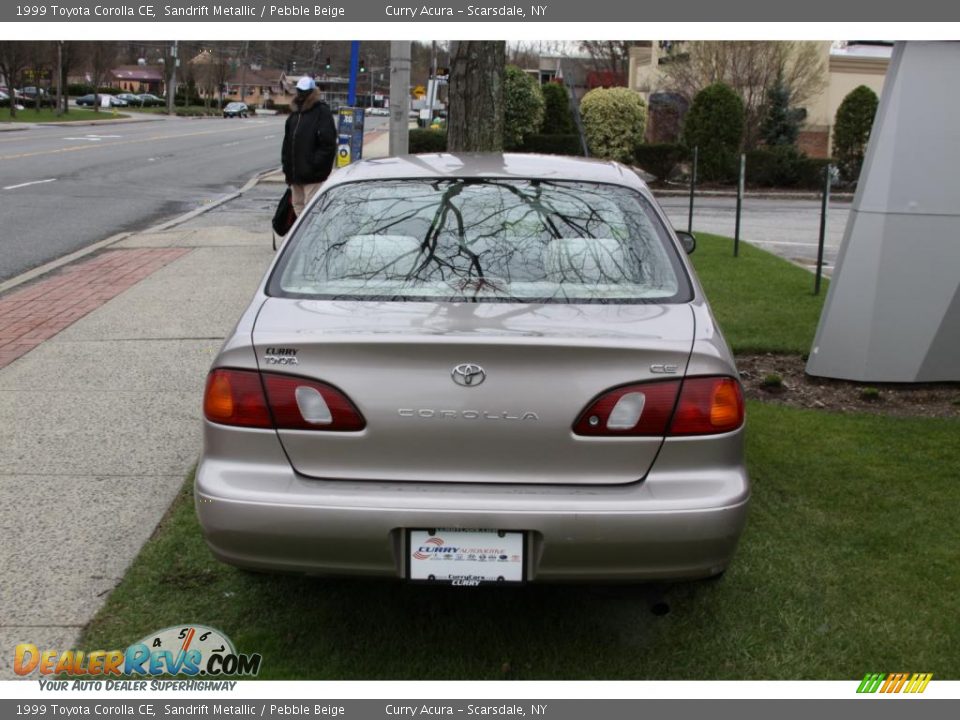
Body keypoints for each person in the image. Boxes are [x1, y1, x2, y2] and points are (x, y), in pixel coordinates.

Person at [281, 76, 337, 216]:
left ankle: (311, 236)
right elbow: (287, 143)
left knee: (312, 209)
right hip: (295, 174)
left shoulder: (321, 112)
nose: (301, 94)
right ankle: (303, 236)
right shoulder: (295, 114)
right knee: (298, 206)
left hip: (313, 174)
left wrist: (315, 165)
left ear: (312, 92)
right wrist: (286, 167)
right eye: (299, 91)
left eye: (304, 92)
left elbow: (328, 143)